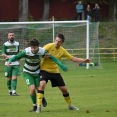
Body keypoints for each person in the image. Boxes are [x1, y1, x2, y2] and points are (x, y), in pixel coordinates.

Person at [7, 39, 68, 112]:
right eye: (32, 47)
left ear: (38, 46)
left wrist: (61, 65)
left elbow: (52, 57)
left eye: (35, 47)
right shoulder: (27, 51)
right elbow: (16, 57)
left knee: (39, 89)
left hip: (37, 72)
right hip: (27, 72)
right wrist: (10, 61)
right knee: (32, 89)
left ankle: (42, 98)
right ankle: (35, 106)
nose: (33, 49)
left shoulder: (42, 51)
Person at [36, 33, 91, 113]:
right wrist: (44, 56)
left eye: (59, 41)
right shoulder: (48, 46)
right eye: (56, 40)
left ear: (62, 42)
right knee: (42, 85)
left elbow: (72, 58)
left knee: (64, 89)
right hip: (44, 70)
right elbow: (40, 53)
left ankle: (70, 105)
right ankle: (38, 107)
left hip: (55, 71)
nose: (56, 42)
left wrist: (83, 60)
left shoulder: (62, 51)